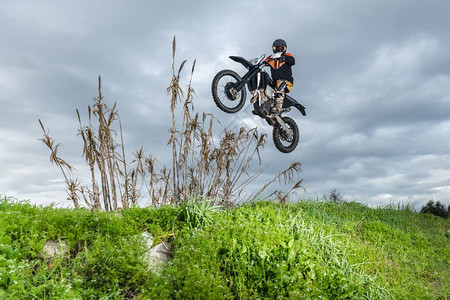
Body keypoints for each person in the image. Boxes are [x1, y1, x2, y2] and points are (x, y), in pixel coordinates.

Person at [256, 39, 295, 115]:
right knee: (263, 76)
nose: (280, 49)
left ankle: (278, 108)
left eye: (281, 48)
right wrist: (258, 62)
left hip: (287, 83)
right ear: (274, 48)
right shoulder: (271, 57)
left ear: (284, 49)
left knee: (281, 83)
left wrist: (285, 58)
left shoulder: (287, 56)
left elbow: (292, 61)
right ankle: (261, 104)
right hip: (274, 83)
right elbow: (264, 62)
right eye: (278, 48)